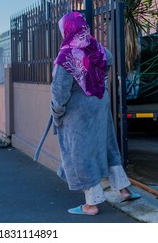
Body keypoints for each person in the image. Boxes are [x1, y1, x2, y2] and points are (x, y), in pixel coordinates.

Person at [51, 12, 140, 216]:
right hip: (100, 105)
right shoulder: (95, 47)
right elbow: (107, 58)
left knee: (82, 155)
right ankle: (124, 189)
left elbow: (59, 93)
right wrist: (98, 81)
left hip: (77, 115)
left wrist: (57, 115)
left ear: (67, 30)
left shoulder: (66, 56)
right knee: (108, 146)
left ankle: (91, 204)